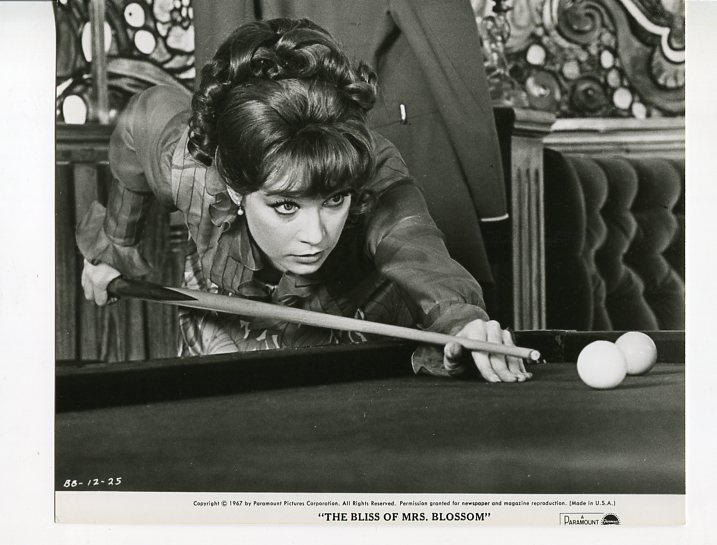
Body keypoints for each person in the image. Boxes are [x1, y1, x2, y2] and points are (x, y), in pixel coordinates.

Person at [77, 18, 531, 383]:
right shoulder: (189, 166)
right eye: (286, 206)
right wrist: (116, 244)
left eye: (334, 201)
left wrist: (462, 322)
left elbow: (417, 249)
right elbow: (141, 117)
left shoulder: (371, 170)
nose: (315, 236)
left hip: (355, 332)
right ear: (235, 189)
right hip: (225, 323)